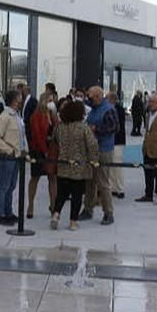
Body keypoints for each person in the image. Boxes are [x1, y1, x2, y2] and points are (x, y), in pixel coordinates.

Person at [51, 99, 99, 231]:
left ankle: (56, 215)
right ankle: (73, 222)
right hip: (79, 166)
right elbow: (92, 145)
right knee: (77, 195)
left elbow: (54, 139)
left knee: (61, 193)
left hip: (63, 164)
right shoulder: (83, 127)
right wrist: (94, 160)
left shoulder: (59, 127)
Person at [81, 86, 118, 224]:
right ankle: (88, 209)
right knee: (89, 181)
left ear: (98, 96)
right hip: (92, 149)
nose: (89, 100)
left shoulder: (108, 109)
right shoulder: (95, 108)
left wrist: (96, 129)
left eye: (91, 97)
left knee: (103, 182)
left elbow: (114, 127)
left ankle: (108, 212)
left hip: (104, 149)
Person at [0, 90, 24, 224]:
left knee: (11, 186)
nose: (21, 101)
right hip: (7, 156)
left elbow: (21, 135)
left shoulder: (16, 115)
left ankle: (8, 211)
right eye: (19, 99)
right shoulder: (5, 116)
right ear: (14, 101)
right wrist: (8, 149)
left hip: (17, 156)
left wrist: (24, 150)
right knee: (4, 186)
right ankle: (0, 214)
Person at [26, 95, 57, 219]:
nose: (51, 103)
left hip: (52, 150)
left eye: (52, 101)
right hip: (39, 150)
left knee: (53, 178)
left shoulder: (53, 115)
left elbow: (57, 128)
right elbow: (37, 135)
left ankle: (54, 205)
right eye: (49, 100)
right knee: (35, 177)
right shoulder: (36, 116)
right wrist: (44, 151)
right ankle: (30, 205)